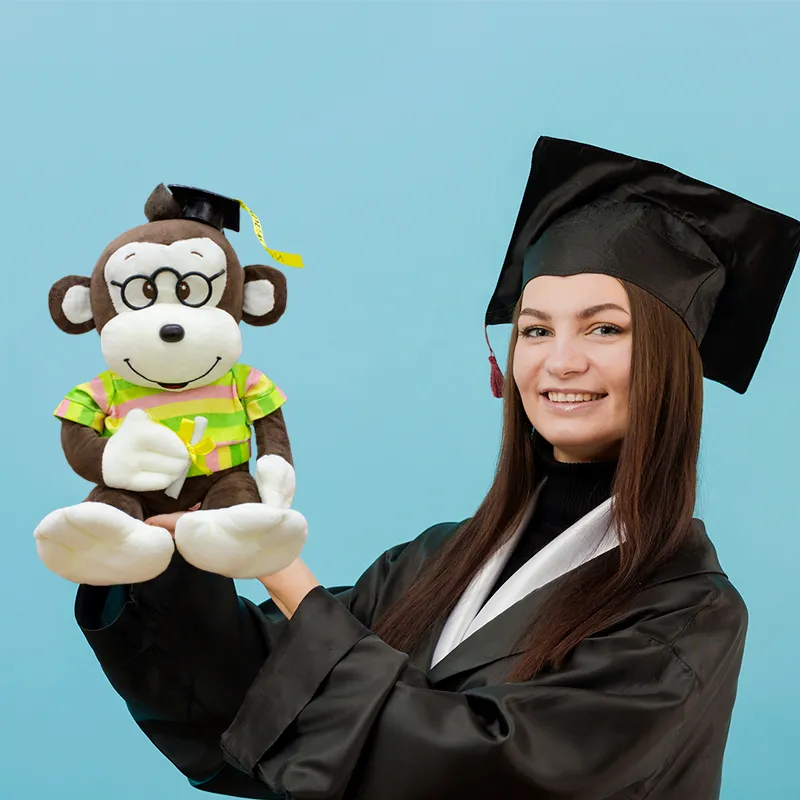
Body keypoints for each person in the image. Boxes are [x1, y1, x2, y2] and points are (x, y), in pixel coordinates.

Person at [73, 137, 800, 800]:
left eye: (604, 328)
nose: (560, 361)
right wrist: (162, 553)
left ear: (670, 365)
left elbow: (489, 772)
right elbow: (244, 705)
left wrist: (288, 578)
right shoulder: (434, 560)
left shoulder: (686, 615)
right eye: (535, 328)